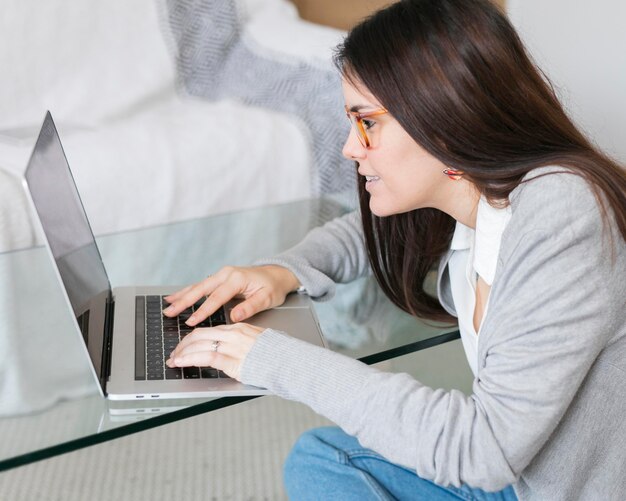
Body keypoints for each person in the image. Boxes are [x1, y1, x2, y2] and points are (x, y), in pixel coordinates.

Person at [163, 0, 626, 499]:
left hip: (535, 481)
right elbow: (366, 235)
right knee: (322, 460)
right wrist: (285, 271)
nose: (348, 147)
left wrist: (276, 362)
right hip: (521, 476)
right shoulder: (479, 193)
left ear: (443, 118)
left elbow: (480, 452)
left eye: (367, 123)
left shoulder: (564, 213)